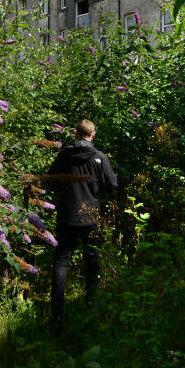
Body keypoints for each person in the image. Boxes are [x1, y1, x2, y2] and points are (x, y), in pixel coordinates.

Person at [45, 119, 118, 336]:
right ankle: (91, 309)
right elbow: (112, 185)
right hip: (90, 215)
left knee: (61, 263)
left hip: (66, 214)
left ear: (76, 134)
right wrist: (96, 193)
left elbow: (51, 179)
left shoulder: (64, 155)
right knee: (92, 261)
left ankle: (57, 318)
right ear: (92, 135)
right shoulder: (100, 157)